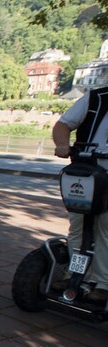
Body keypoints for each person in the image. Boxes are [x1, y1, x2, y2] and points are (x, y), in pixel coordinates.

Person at [52, 87, 108, 303]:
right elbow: (63, 125)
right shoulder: (97, 98)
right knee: (79, 227)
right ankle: (77, 275)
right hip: (87, 173)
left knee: (105, 229)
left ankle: (102, 284)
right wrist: (63, 144)